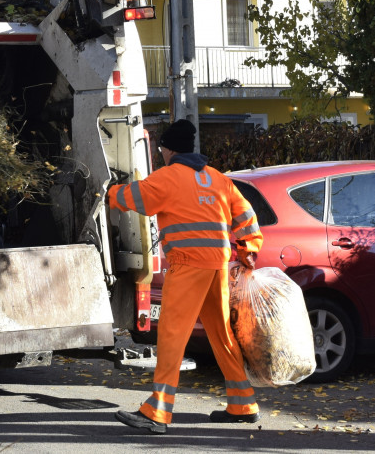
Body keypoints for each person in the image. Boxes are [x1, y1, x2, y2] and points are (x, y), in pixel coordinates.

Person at [107, 119, 263, 433]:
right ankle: (242, 403)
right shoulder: (217, 179)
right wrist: (247, 251)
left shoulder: (168, 177)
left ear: (169, 149)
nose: (161, 153)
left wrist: (107, 192)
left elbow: (132, 198)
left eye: (162, 148)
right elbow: (246, 213)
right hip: (217, 265)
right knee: (221, 334)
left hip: (188, 265)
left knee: (172, 336)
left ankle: (157, 412)